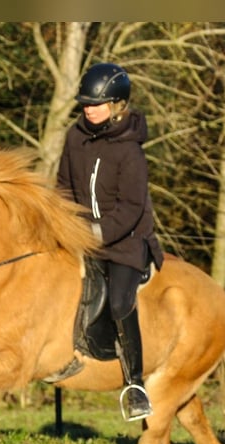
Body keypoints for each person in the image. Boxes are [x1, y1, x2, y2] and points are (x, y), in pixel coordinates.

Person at [56, 62, 164, 422]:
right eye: (85, 103)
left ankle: (134, 385)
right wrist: (66, 225)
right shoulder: (75, 137)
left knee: (119, 302)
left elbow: (131, 208)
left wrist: (97, 233)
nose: (89, 108)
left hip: (125, 243)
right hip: (82, 236)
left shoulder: (130, 151)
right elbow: (64, 186)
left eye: (97, 103)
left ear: (117, 104)